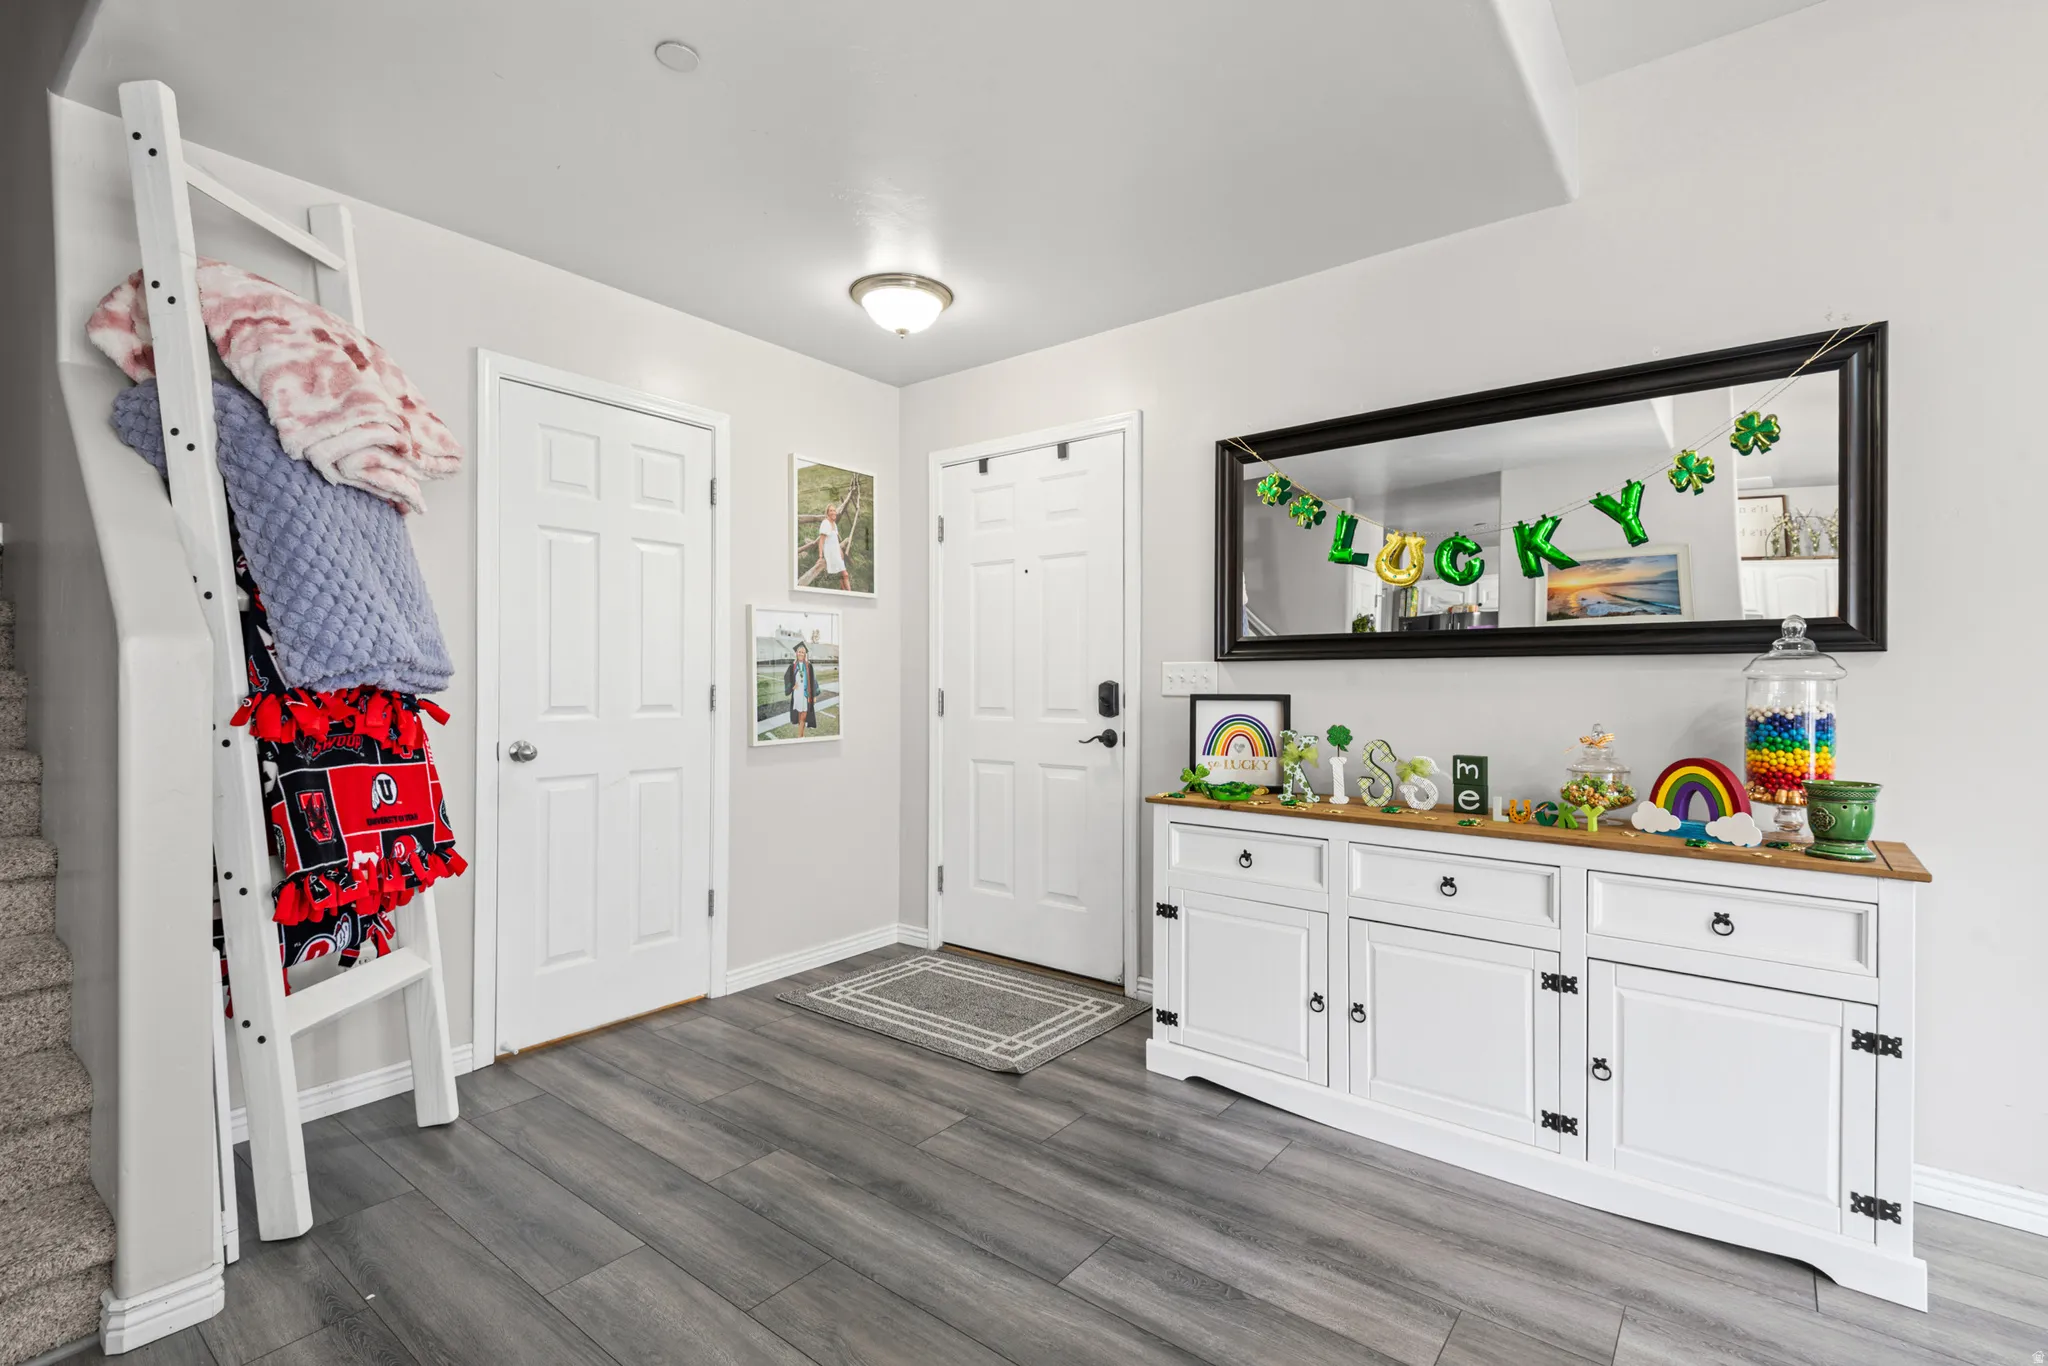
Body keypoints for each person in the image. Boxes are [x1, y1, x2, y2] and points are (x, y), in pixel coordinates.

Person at [783, 641, 819, 738]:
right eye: (799, 652)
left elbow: (813, 680)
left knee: (804, 714)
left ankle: (800, 735)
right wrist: (792, 686)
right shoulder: (793, 666)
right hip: (797, 693)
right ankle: (801, 735)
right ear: (796, 653)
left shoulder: (809, 666)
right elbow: (786, 677)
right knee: (799, 714)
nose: (801, 654)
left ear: (805, 654)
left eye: (803, 652)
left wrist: (814, 695)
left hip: (806, 693)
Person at [815, 502, 852, 591]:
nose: (833, 512)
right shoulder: (825, 523)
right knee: (845, 574)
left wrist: (840, 551)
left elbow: (835, 541)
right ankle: (850, 593)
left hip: (836, 552)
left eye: (834, 510)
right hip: (830, 553)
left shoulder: (834, 524)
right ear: (827, 513)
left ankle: (844, 591)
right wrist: (820, 556)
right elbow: (821, 541)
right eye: (830, 511)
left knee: (841, 574)